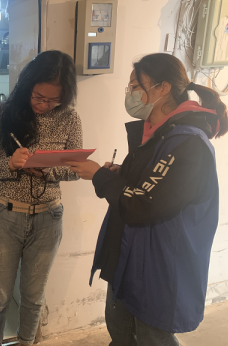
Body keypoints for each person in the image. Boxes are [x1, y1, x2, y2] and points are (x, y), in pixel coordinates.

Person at [66, 53, 227, 346]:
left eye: (135, 86)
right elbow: (149, 185)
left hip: (157, 267)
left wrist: (99, 176)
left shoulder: (187, 142)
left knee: (152, 337)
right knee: (121, 333)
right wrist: (120, 173)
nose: (130, 94)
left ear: (163, 88)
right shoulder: (157, 135)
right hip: (129, 256)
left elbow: (145, 203)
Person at [0, 50, 82, 346]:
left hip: (48, 217)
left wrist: (48, 170)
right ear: (27, 86)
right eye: (38, 97)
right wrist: (10, 164)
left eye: (52, 100)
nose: (44, 105)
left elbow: (76, 169)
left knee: (34, 297)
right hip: (5, 215)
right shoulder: (1, 114)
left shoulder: (69, 118)